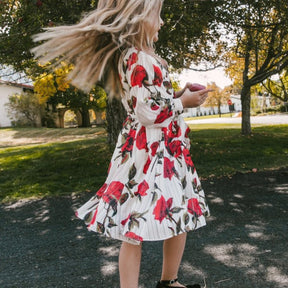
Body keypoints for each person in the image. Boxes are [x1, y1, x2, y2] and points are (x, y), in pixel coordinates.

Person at [32, 1, 211, 287]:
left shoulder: (145, 56)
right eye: (158, 16)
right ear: (139, 19)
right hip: (148, 153)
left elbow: (154, 101)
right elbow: (148, 112)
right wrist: (182, 102)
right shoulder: (137, 57)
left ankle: (169, 281)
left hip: (167, 150)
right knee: (133, 225)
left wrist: (178, 94)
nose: (162, 22)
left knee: (181, 213)